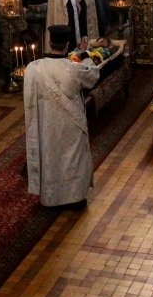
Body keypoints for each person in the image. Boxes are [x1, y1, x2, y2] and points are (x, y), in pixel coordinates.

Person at [24, 25, 99, 210]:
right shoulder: (73, 69)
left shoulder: (34, 69)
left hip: (46, 124)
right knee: (72, 158)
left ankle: (51, 199)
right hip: (70, 124)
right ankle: (75, 199)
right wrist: (84, 54)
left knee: (51, 158)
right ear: (67, 45)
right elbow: (93, 75)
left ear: (50, 43)